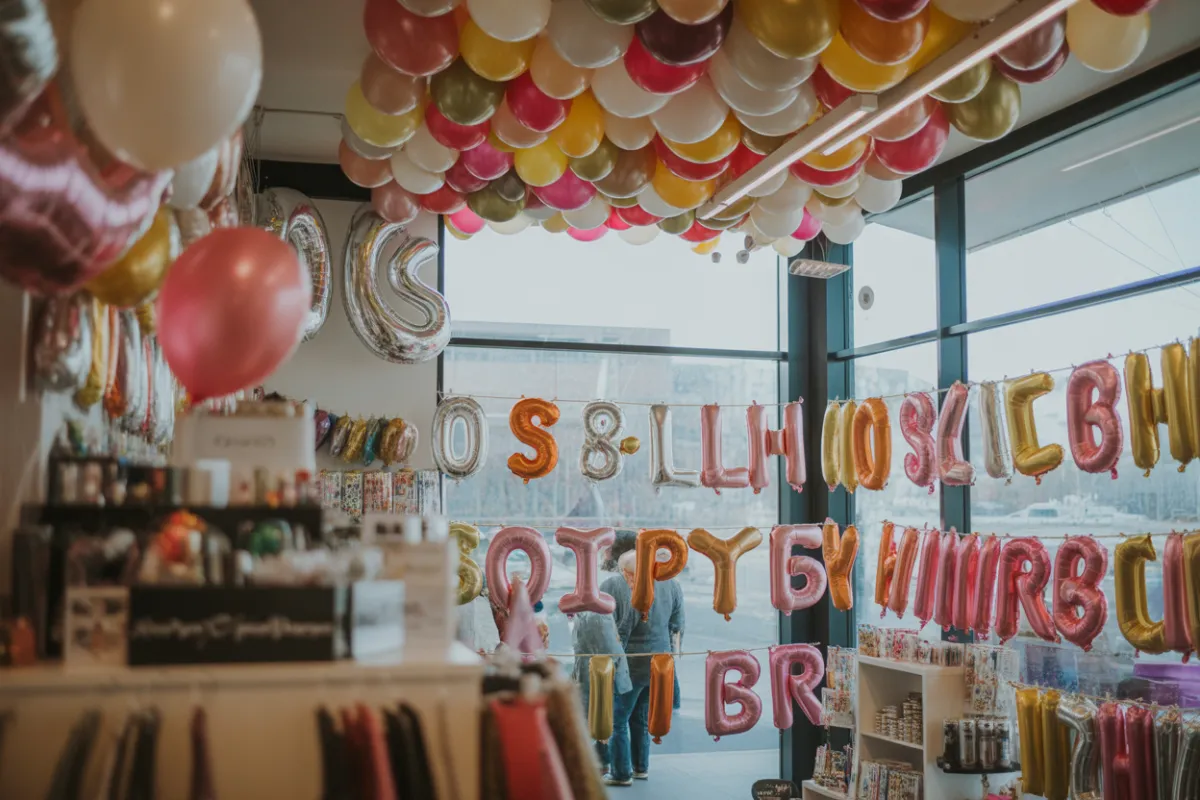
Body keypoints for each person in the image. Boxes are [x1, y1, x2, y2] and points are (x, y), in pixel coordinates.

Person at [600, 532, 684, 787]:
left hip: (630, 662)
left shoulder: (614, 585)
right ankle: (640, 767)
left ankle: (620, 772)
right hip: (659, 663)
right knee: (640, 718)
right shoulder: (671, 583)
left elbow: (612, 628)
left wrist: (614, 662)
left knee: (616, 719)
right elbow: (677, 625)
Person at [571, 609, 630, 774]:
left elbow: (580, 647)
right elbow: (615, 650)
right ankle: (602, 761)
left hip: (594, 675)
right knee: (602, 720)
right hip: (598, 674)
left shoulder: (589, 616)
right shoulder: (596, 615)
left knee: (595, 720)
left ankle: (599, 761)